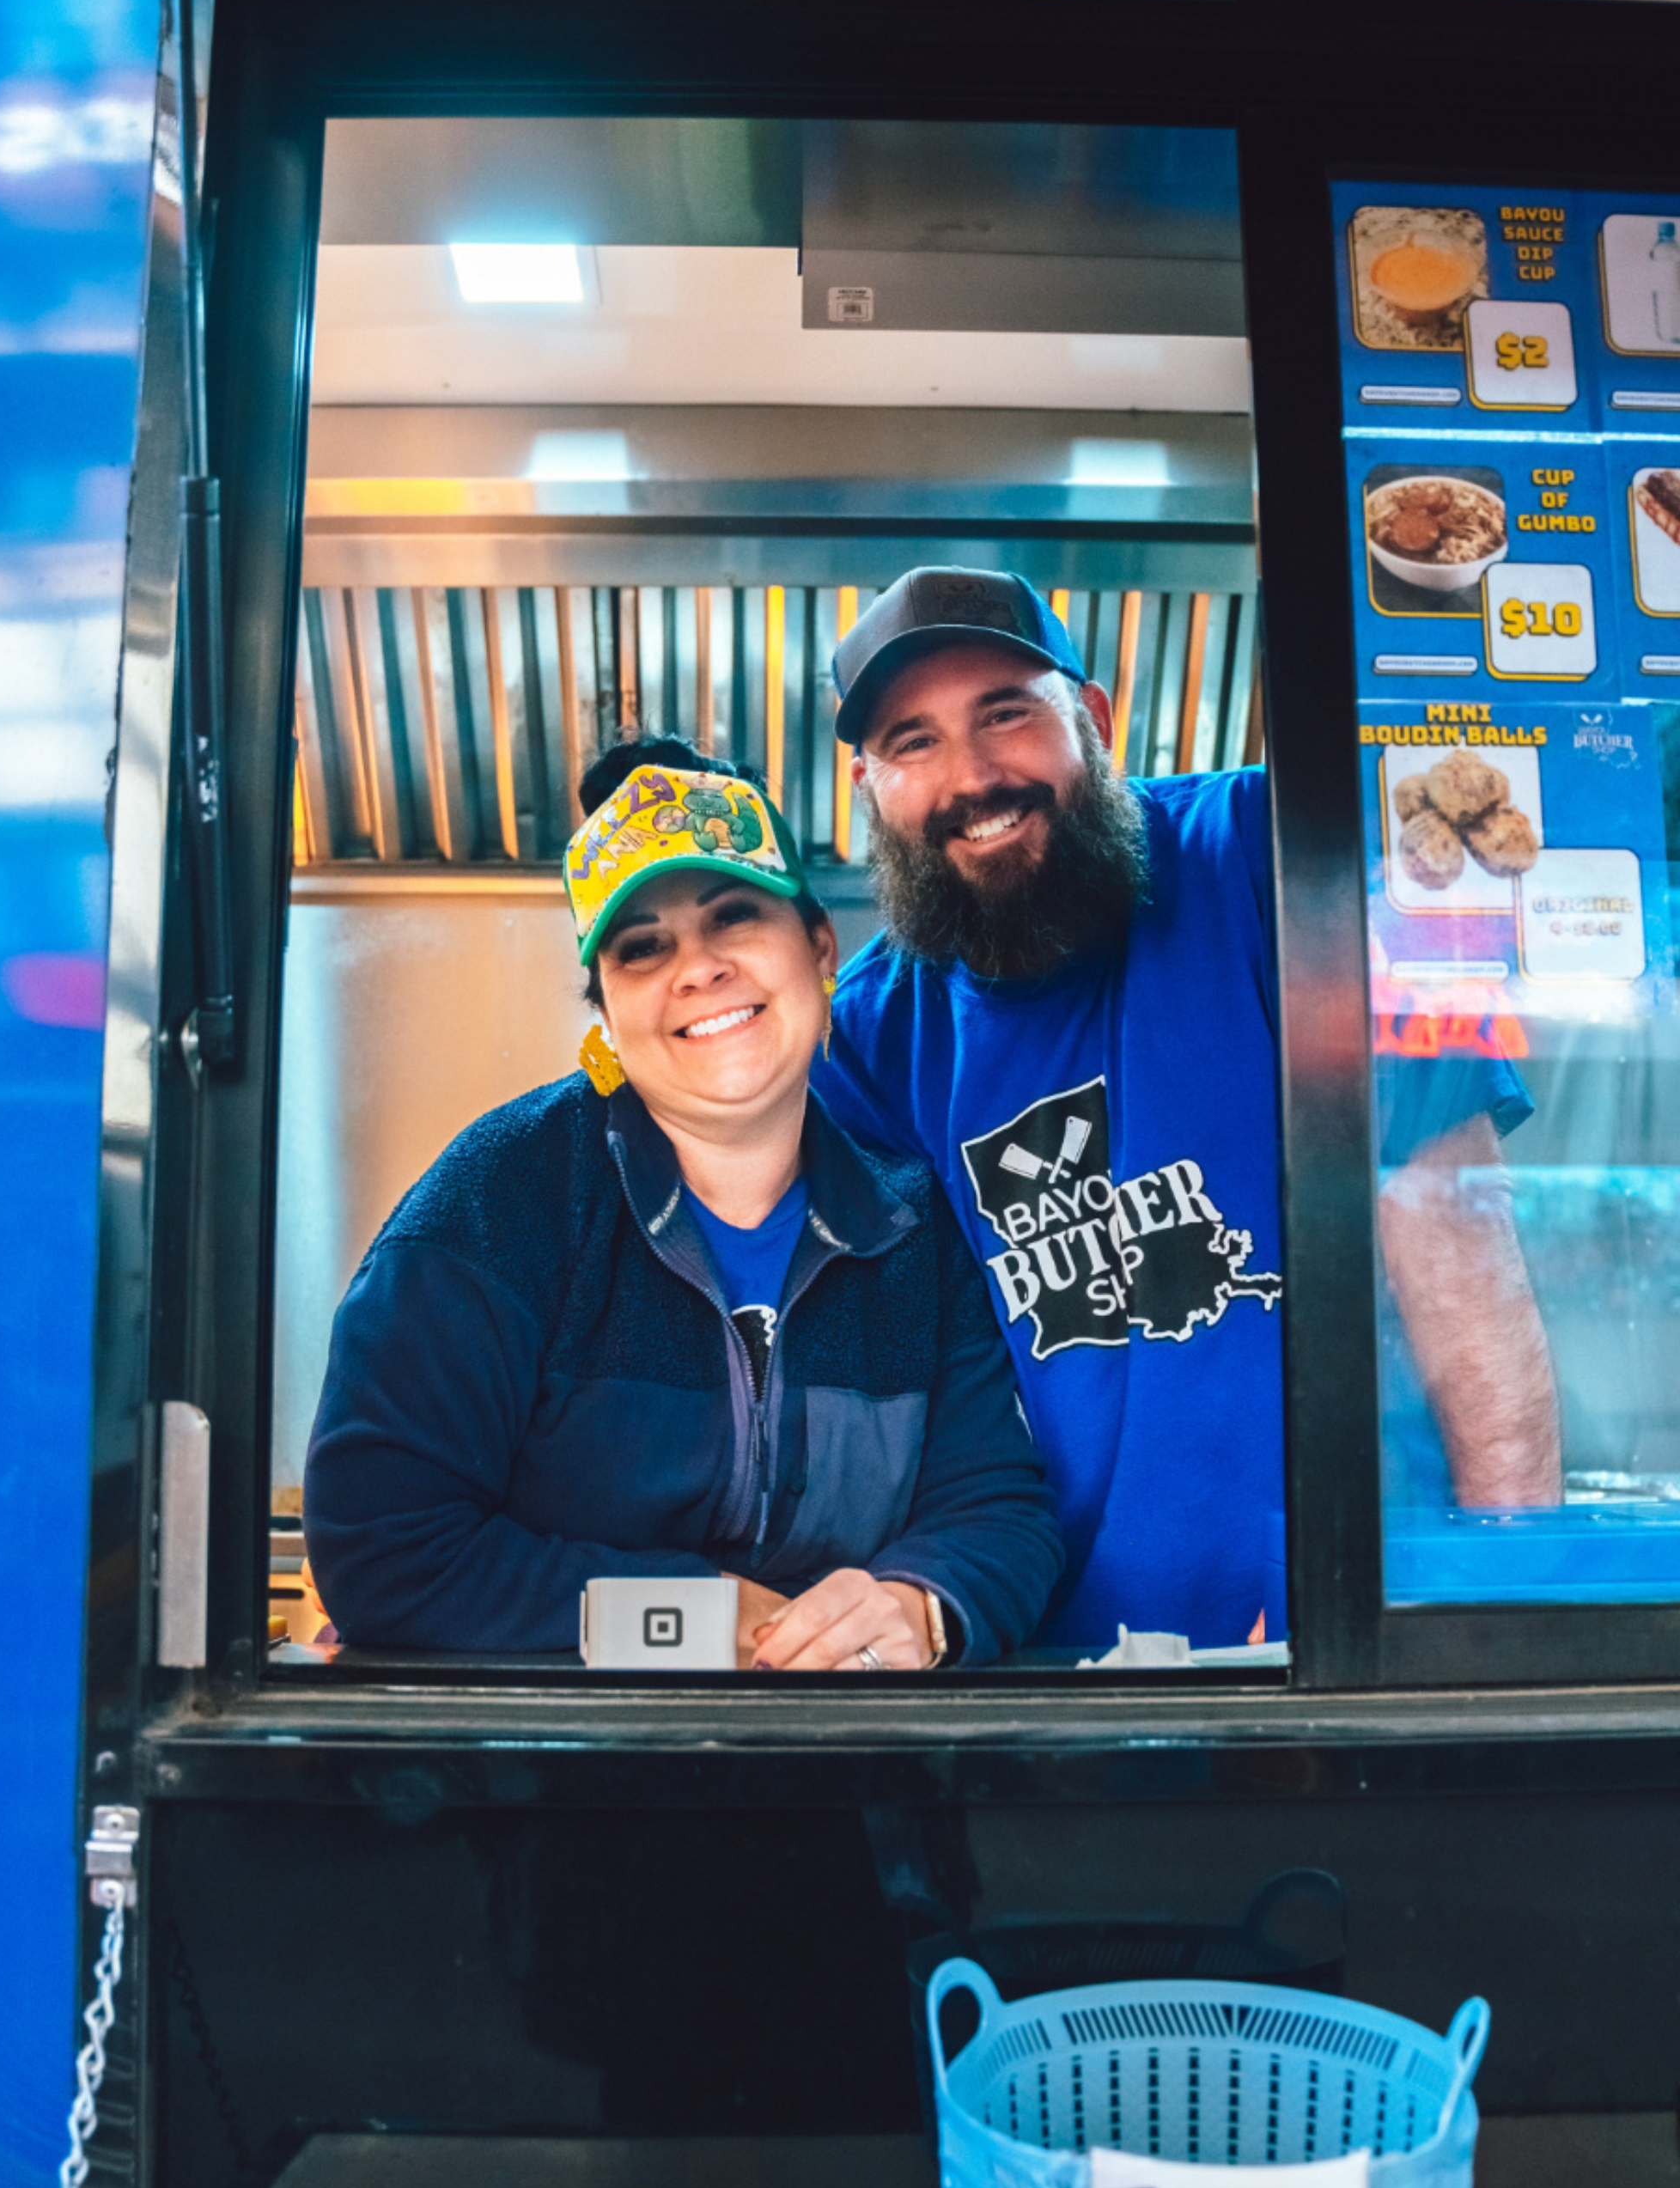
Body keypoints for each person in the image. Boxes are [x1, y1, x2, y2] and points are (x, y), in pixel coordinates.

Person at [813, 565, 1561, 1654]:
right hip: (1043, 1672)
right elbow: (897, 1399)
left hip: (1352, 1647)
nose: (972, 778)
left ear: (1096, 720)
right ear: (867, 785)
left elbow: (1462, 1253)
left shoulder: (1270, 857)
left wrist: (1509, 1618)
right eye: (912, 743)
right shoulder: (869, 1043)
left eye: (1007, 714)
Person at [302, 734, 1062, 1667]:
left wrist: (922, 1602)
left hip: (831, 1781)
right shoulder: (494, 1205)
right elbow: (383, 1547)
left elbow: (999, 1511)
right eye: (642, 947)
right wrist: (691, 1616)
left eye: (734, 916)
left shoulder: (910, 1227)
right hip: (528, 1787)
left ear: (820, 947)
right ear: (606, 1016)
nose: (696, 969)